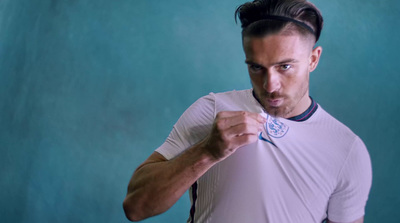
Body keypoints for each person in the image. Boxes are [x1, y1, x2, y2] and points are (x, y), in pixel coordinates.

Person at [123, 0, 372, 222]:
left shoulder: (347, 149)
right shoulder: (213, 111)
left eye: (284, 66)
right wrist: (208, 151)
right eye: (256, 67)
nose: (270, 85)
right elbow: (135, 207)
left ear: (313, 60)